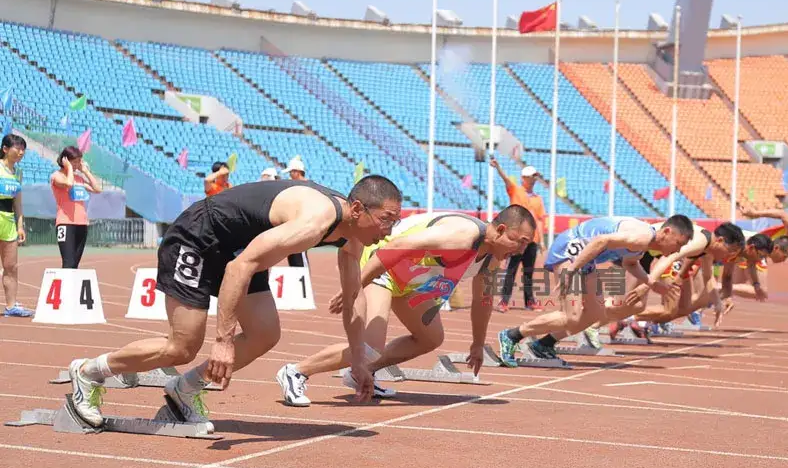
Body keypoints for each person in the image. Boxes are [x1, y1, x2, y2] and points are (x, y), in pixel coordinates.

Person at [65, 175, 402, 430]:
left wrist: (358, 359)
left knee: (265, 333)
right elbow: (239, 268)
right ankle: (89, 372)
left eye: (395, 221)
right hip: (200, 237)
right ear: (357, 209)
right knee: (182, 347)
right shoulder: (315, 220)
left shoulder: (352, 236)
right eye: (386, 219)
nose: (388, 230)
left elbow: (353, 297)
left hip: (239, 251)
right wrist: (223, 340)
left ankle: (185, 389)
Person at [275, 205, 537, 406]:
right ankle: (296, 372)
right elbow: (398, 245)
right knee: (370, 348)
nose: (522, 251)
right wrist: (355, 286)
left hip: (411, 281)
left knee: (431, 337)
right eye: (521, 241)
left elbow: (483, 301)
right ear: (501, 230)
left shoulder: (491, 260)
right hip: (383, 265)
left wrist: (477, 344)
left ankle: (363, 374)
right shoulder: (463, 235)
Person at [495, 215, 694, 366]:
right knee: (572, 316)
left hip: (585, 259)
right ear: (667, 232)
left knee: (596, 313)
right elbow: (600, 241)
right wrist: (572, 269)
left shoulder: (643, 244)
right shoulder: (641, 237)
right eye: (679, 244)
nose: (678, 251)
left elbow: (631, 263)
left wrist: (651, 282)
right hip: (570, 251)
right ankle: (512, 335)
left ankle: (543, 344)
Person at [608, 222, 747, 336]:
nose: (729, 257)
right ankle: (615, 318)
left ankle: (627, 319)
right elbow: (669, 257)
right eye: (731, 251)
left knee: (682, 308)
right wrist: (647, 285)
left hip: (652, 253)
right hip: (645, 248)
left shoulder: (708, 249)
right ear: (720, 241)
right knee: (653, 306)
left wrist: (717, 303)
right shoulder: (701, 241)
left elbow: (708, 276)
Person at [491, 159, 547, 312]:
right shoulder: (516, 191)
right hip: (516, 239)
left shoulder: (538, 198)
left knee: (529, 272)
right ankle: (504, 301)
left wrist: (541, 241)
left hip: (532, 240)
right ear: (524, 178)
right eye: (532, 176)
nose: (534, 179)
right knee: (511, 270)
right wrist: (498, 167)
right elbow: (506, 180)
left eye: (535, 176)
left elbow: (539, 220)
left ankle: (530, 302)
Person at [50, 145, 102, 269]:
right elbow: (68, 184)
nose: (77, 165)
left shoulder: (79, 179)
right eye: (74, 161)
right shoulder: (56, 176)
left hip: (82, 224)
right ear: (65, 160)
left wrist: (86, 172)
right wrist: (68, 168)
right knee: (68, 263)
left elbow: (97, 189)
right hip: (65, 223)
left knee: (75, 265)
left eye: (79, 161)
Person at [0, 134, 31, 317]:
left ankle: (11, 306)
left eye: (23, 149)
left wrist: (20, 225)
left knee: (11, 266)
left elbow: (17, 203)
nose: (21, 152)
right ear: (5, 149)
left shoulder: (18, 173)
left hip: (8, 221)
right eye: (17, 148)